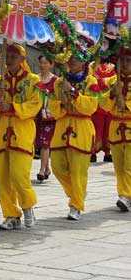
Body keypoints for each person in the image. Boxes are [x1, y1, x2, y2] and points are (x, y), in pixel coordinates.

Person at [0, 43, 41, 230]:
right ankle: (11, 214)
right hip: (3, 131)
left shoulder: (33, 80)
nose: (9, 59)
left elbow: (35, 105)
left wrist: (12, 107)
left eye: (14, 56)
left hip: (22, 132)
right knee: (3, 178)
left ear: (22, 59)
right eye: (8, 56)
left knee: (19, 175)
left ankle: (28, 207)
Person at [48, 52, 100, 221]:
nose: (71, 62)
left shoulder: (91, 81)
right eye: (69, 59)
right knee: (57, 166)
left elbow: (92, 106)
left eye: (75, 59)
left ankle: (76, 205)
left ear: (84, 61)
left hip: (82, 126)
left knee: (78, 171)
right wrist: (62, 102)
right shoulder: (58, 82)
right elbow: (52, 106)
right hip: (62, 126)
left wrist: (73, 92)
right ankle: (77, 194)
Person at [100, 46, 131, 212]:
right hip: (116, 128)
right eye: (122, 61)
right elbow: (103, 104)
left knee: (129, 165)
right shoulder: (112, 80)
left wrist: (125, 104)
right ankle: (124, 194)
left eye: (128, 61)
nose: (125, 64)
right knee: (119, 166)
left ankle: (126, 195)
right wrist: (112, 94)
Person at [35, 54, 57, 182]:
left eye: (45, 63)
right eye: (41, 63)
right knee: (40, 142)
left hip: (49, 115)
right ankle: (47, 168)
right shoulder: (35, 79)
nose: (43, 65)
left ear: (51, 64)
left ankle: (42, 170)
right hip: (37, 114)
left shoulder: (56, 81)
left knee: (45, 143)